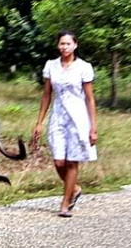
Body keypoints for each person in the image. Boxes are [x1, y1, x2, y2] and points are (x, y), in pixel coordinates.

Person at [31, 30, 97, 217]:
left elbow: (90, 99)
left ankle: (65, 204)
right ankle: (74, 188)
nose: (64, 47)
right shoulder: (51, 66)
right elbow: (46, 95)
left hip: (78, 118)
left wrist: (93, 128)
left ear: (75, 45)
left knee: (72, 162)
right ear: (57, 45)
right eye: (62, 43)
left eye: (68, 44)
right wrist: (39, 123)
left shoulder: (84, 67)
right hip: (58, 116)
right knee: (59, 161)